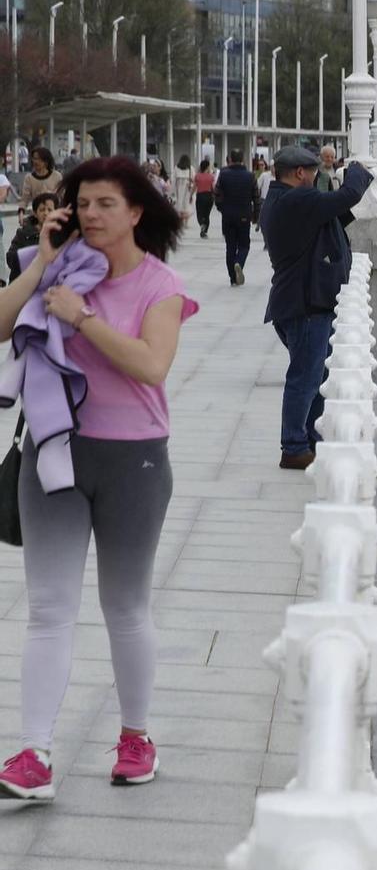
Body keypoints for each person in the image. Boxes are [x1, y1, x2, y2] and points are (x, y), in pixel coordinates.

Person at [0, 157, 197, 800]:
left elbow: (151, 366)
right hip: (53, 452)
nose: (90, 214)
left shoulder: (159, 285)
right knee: (50, 608)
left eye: (105, 204)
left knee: (125, 606)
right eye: (82, 203)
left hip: (133, 459)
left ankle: (137, 738)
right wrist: (39, 263)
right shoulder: (53, 269)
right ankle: (34, 755)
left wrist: (82, 317)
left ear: (136, 212)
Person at [261, 141, 372, 469]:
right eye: (313, 171)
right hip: (305, 305)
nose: (316, 176)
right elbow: (346, 197)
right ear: (300, 173)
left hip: (299, 302)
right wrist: (357, 171)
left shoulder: (282, 200)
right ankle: (294, 445)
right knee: (305, 378)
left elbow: (332, 216)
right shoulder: (297, 198)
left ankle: (309, 438)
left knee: (315, 375)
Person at [214, 148, 260, 287]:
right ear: (242, 159)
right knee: (244, 245)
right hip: (244, 215)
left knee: (230, 246)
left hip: (228, 216)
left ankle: (233, 278)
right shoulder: (250, 176)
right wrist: (255, 215)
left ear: (231, 160)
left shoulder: (223, 174)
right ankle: (239, 262)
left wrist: (222, 209)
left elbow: (216, 195)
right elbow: (256, 198)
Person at [7, 193, 51, 283]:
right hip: (23, 283)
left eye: (50, 210)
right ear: (35, 213)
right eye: (42, 210)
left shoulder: (61, 236)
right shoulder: (23, 233)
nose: (46, 213)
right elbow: (10, 257)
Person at [19, 146, 57, 211]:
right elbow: (24, 199)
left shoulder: (56, 176)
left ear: (46, 161)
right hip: (37, 215)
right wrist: (21, 211)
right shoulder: (29, 178)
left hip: (54, 214)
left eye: (38, 159)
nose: (35, 162)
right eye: (34, 158)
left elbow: (62, 197)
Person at [192, 158, 216, 238]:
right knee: (207, 215)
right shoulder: (211, 176)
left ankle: (202, 224)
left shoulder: (197, 176)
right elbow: (213, 188)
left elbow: (194, 187)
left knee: (199, 213)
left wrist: (190, 196)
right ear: (207, 167)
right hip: (209, 197)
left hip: (200, 196)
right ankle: (204, 231)